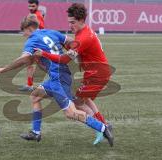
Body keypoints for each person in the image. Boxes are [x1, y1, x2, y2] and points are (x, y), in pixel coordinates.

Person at [0, 15, 114, 147]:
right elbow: (71, 42)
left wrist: (4, 69)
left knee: (71, 113)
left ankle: (104, 128)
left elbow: (24, 59)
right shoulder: (51, 32)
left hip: (58, 80)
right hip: (63, 74)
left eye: (23, 31)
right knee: (35, 95)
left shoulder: (32, 40)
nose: (23, 34)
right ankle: (35, 133)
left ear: (30, 28)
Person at [34, 3, 112, 145]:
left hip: (98, 74)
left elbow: (64, 60)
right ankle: (104, 125)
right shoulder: (82, 32)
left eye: (73, 22)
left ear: (82, 20)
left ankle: (102, 128)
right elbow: (76, 49)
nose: (70, 25)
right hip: (95, 72)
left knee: (78, 102)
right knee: (85, 100)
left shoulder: (84, 38)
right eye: (69, 22)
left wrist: (44, 53)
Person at [19, 0, 45, 92]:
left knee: (43, 65)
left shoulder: (37, 15)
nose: (31, 8)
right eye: (29, 6)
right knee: (29, 64)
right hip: (33, 43)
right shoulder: (31, 15)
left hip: (38, 44)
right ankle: (29, 85)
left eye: (33, 6)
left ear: (37, 6)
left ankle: (59, 81)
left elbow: (41, 28)